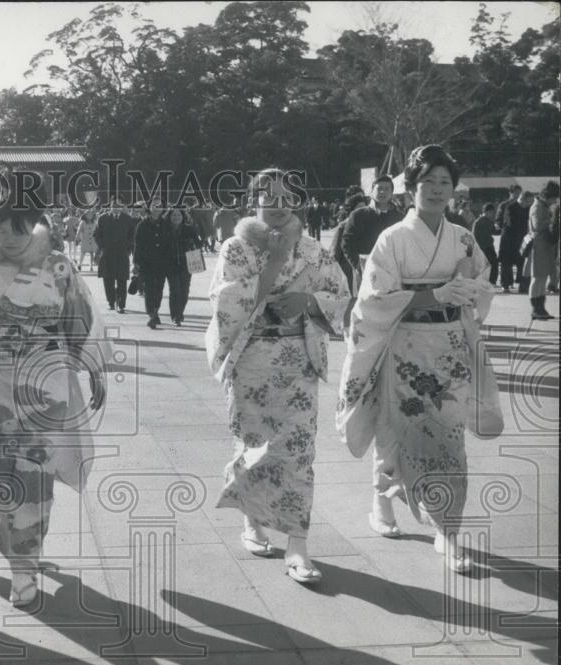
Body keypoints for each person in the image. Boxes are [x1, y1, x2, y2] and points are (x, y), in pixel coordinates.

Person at [0, 166, 107, 607]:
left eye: (20, 224)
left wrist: (92, 367)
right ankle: (21, 559)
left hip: (46, 389)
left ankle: (23, 561)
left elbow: (80, 319)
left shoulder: (59, 266)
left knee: (38, 485)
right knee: (7, 482)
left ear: (37, 222)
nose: (11, 234)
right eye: (1, 224)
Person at [336, 145, 501, 575]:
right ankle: (381, 502)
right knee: (396, 429)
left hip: (448, 348)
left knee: (449, 438)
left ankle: (447, 532)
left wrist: (469, 290)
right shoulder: (392, 238)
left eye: (444, 182)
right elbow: (373, 300)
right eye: (427, 182)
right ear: (411, 188)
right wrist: (432, 294)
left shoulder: (462, 235)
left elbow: (483, 279)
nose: (436, 190)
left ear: (453, 188)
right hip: (405, 345)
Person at [205, 168, 350, 584]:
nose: (280, 204)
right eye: (269, 196)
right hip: (252, 357)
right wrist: (267, 286)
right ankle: (252, 520)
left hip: (298, 358)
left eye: (288, 196)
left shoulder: (312, 249)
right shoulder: (235, 246)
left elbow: (339, 293)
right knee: (254, 445)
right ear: (254, 200)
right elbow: (224, 297)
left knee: (300, 451)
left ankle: (298, 544)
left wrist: (307, 299)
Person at [341, 175, 402, 294]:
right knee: (365, 306)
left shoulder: (399, 217)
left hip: (392, 272)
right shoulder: (358, 215)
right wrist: (358, 266)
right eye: (379, 189)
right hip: (365, 271)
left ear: (392, 193)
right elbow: (346, 242)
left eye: (387, 189)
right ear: (372, 191)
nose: (383, 192)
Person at [133, 201, 175, 329]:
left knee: (159, 289)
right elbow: (138, 246)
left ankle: (155, 311)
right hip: (147, 263)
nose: (157, 208)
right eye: (154, 206)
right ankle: (152, 314)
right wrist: (136, 263)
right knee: (149, 289)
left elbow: (170, 244)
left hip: (162, 263)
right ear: (149, 208)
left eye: (160, 206)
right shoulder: (142, 225)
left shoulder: (167, 225)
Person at [524, 181, 560, 319]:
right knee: (537, 277)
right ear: (547, 195)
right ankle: (535, 309)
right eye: (553, 197)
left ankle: (540, 307)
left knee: (542, 277)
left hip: (544, 246)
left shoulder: (543, 205)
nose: (554, 200)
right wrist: (552, 221)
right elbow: (537, 225)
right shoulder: (537, 206)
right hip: (539, 246)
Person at [93, 202, 135, 313]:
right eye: (114, 206)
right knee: (108, 279)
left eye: (118, 206)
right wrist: (103, 245)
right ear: (110, 207)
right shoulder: (103, 218)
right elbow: (96, 234)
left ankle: (121, 304)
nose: (116, 208)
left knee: (122, 280)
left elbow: (132, 235)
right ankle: (111, 302)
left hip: (122, 253)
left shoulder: (128, 219)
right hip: (107, 253)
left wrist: (127, 246)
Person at [165, 207, 203, 326]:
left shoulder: (189, 229)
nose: (176, 217)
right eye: (174, 215)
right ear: (169, 217)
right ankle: (176, 315)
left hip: (187, 264)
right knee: (174, 289)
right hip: (170, 264)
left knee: (185, 291)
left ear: (183, 217)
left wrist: (195, 241)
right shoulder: (165, 229)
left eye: (178, 215)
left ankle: (180, 312)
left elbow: (198, 243)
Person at [499, 189, 533, 293]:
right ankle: (505, 285)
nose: (529, 204)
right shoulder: (510, 207)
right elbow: (510, 223)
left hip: (520, 239)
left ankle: (522, 286)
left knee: (521, 263)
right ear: (522, 199)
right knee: (506, 263)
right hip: (509, 240)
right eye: (528, 201)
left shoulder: (527, 208)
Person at [471, 203, 499, 287]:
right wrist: (477, 248)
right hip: (482, 247)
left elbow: (494, 231)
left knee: (493, 264)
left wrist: (502, 227)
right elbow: (474, 235)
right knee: (484, 266)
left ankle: (492, 282)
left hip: (489, 246)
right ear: (486, 212)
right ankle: (486, 282)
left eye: (493, 212)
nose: (492, 214)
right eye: (491, 212)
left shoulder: (490, 221)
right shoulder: (479, 222)